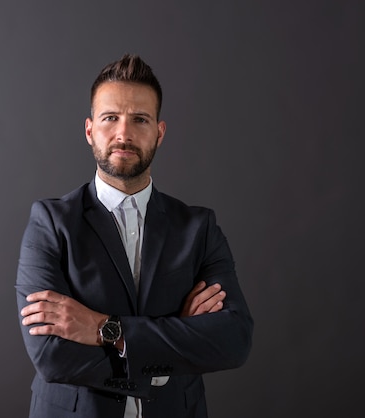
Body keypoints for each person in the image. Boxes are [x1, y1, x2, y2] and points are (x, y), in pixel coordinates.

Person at [16, 54, 253, 418]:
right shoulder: (50, 222)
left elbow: (234, 341)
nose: (124, 133)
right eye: (111, 118)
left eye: (139, 119)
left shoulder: (198, 228)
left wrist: (102, 328)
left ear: (159, 132)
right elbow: (51, 356)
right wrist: (168, 355)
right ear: (90, 129)